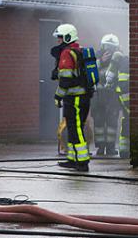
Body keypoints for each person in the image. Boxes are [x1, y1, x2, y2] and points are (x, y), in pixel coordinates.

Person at [52, 24, 91, 172]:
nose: (58, 41)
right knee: (74, 128)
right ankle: (73, 159)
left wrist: (58, 96)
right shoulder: (77, 51)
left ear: (67, 37)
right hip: (81, 97)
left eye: (60, 37)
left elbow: (66, 79)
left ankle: (82, 162)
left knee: (76, 128)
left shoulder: (67, 53)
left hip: (74, 98)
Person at [94, 34, 124, 156]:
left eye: (111, 47)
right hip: (98, 96)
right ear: (102, 46)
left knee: (112, 122)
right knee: (99, 122)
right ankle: (100, 148)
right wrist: (101, 61)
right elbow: (89, 72)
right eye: (106, 46)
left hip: (113, 96)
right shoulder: (96, 57)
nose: (108, 50)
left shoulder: (120, 59)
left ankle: (111, 148)